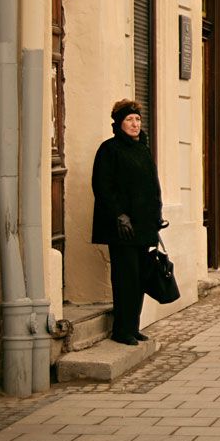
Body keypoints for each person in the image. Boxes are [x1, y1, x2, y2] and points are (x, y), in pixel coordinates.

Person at [91, 100, 165, 346]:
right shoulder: (109, 150)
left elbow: (151, 186)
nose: (135, 124)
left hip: (144, 227)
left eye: (137, 120)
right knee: (125, 278)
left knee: (140, 278)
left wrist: (157, 216)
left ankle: (133, 326)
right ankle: (121, 330)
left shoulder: (142, 149)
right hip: (122, 228)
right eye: (129, 120)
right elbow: (102, 187)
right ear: (119, 123)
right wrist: (119, 215)